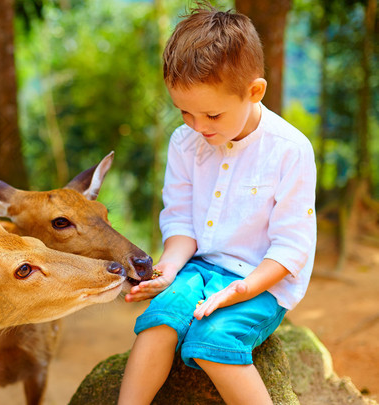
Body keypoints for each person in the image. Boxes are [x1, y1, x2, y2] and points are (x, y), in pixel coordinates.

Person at [118, 3, 317, 404]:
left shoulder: (290, 150)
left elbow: (291, 247)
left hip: (263, 281)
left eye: (211, 114)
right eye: (185, 112)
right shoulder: (184, 143)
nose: (198, 126)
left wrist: (242, 290)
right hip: (200, 267)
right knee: (161, 319)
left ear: (254, 91)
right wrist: (169, 269)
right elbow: (180, 222)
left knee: (212, 341)